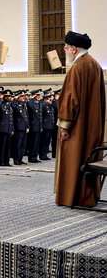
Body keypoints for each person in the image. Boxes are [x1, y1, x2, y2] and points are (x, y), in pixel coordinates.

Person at [55, 31, 105, 208]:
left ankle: (72, 197)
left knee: (74, 158)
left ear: (74, 49)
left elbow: (70, 100)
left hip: (77, 126)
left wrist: (64, 126)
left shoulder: (77, 68)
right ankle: (89, 196)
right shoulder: (95, 65)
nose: (65, 50)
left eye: (66, 47)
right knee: (89, 157)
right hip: (93, 126)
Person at [0, 89, 15, 165]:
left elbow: (11, 118)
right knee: (1, 146)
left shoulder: (9, 105)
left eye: (9, 96)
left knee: (7, 147)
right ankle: (1, 161)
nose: (8, 98)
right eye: (6, 96)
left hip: (8, 128)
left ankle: (6, 161)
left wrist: (12, 129)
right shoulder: (0, 104)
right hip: (2, 128)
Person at [26, 89, 43, 163]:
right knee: (33, 142)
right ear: (34, 95)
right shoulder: (31, 102)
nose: (39, 96)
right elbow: (31, 107)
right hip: (33, 126)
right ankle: (31, 157)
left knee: (37, 143)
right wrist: (31, 98)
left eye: (39, 95)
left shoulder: (38, 103)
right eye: (37, 95)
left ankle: (35, 156)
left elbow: (40, 115)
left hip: (38, 126)